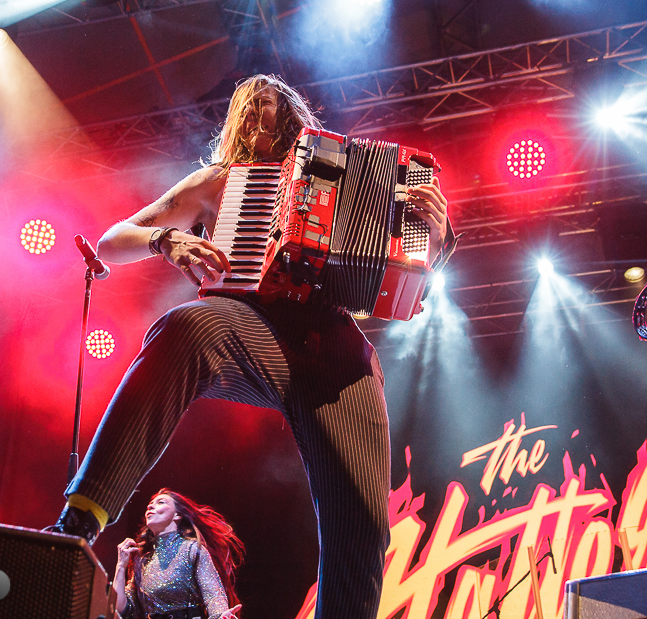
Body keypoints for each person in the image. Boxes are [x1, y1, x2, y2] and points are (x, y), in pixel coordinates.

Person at [51, 74, 455, 619]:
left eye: (273, 105)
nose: (262, 113)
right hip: (249, 325)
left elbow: (404, 274)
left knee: (360, 521)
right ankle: (74, 528)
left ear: (294, 116)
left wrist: (432, 236)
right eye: (251, 105)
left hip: (335, 349)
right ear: (236, 120)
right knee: (186, 326)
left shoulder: (338, 173)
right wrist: (166, 239)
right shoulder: (217, 181)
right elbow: (110, 241)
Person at [113, 490, 243, 619]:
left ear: (177, 515)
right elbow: (121, 609)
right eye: (150, 503)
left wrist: (221, 616)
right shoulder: (143, 559)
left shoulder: (192, 549)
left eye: (160, 502)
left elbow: (213, 594)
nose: (150, 506)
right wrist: (120, 566)